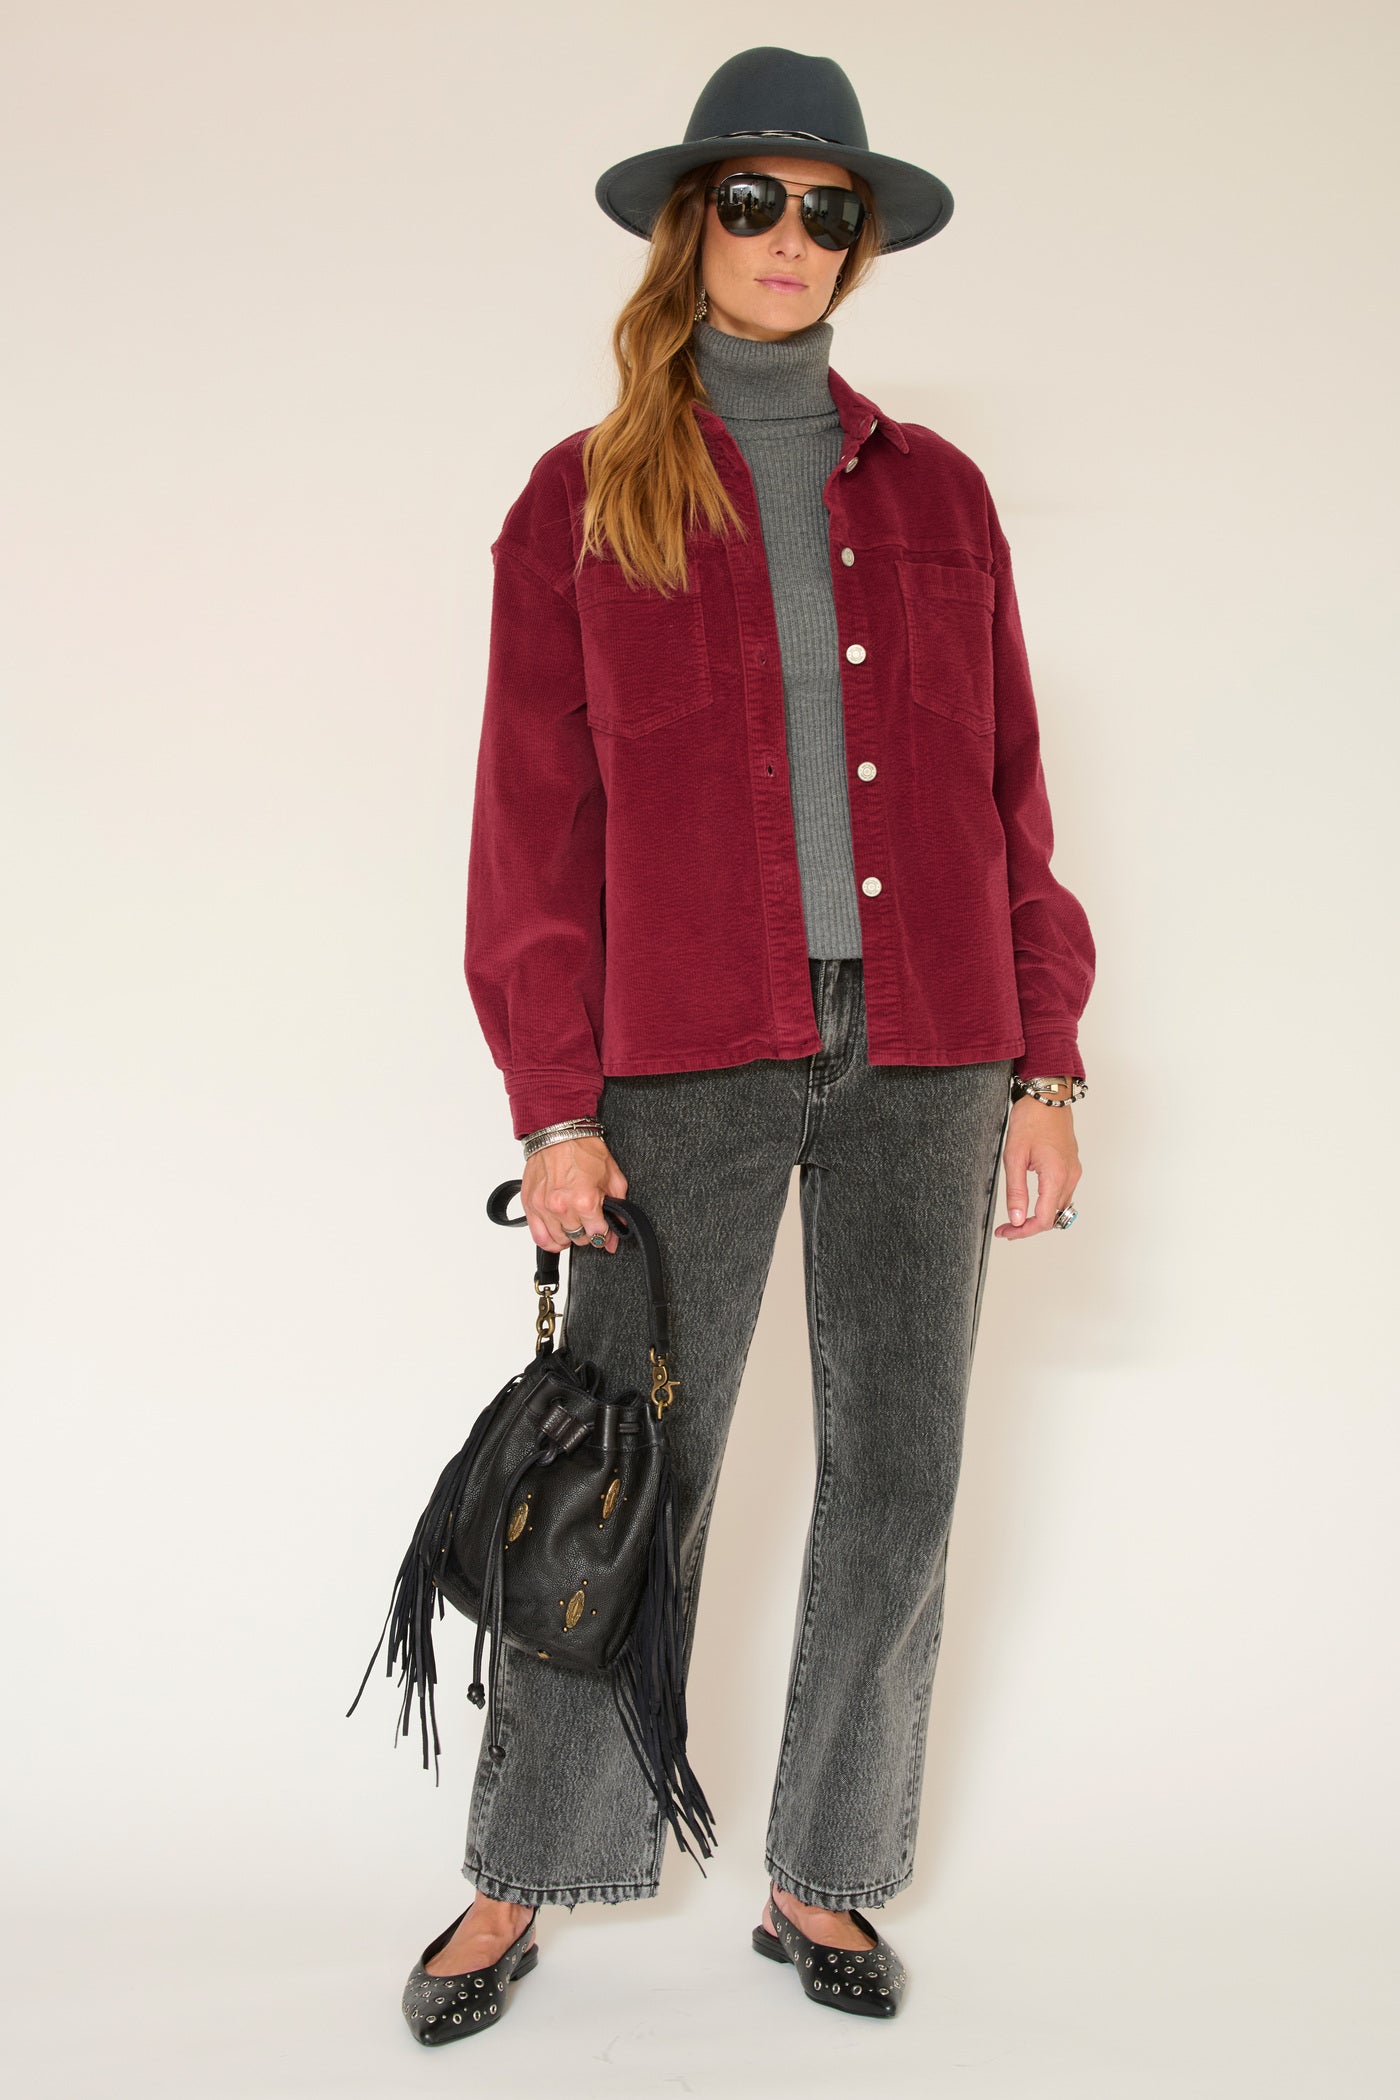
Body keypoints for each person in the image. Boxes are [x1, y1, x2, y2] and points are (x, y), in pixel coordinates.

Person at [400, 45, 1095, 2042]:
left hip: (933, 1043)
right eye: (756, 200)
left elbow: (1008, 792)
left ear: (857, 242)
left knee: (901, 1470)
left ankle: (823, 1870)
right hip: (681, 1051)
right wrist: (553, 1104)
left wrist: (1046, 1061)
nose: (793, 236)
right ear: (691, 224)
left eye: (827, 209)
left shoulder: (939, 493)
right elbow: (531, 828)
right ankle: (525, 1874)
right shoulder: (580, 495)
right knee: (623, 1470)